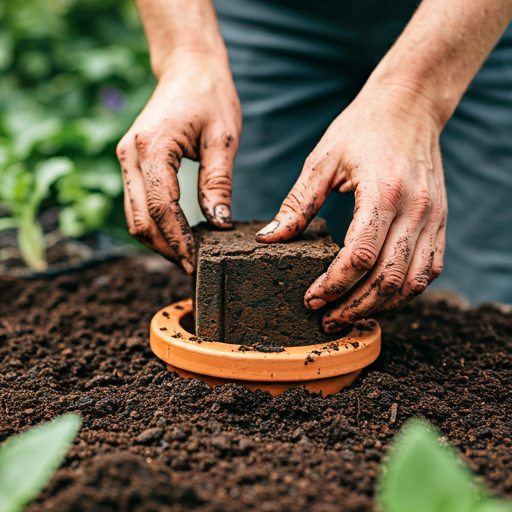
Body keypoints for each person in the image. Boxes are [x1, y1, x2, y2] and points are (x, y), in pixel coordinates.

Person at [117, 0, 512, 333]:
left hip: (471, 23)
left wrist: (415, 95)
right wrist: (187, 53)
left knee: (474, 314)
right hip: (267, 15)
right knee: (254, 293)